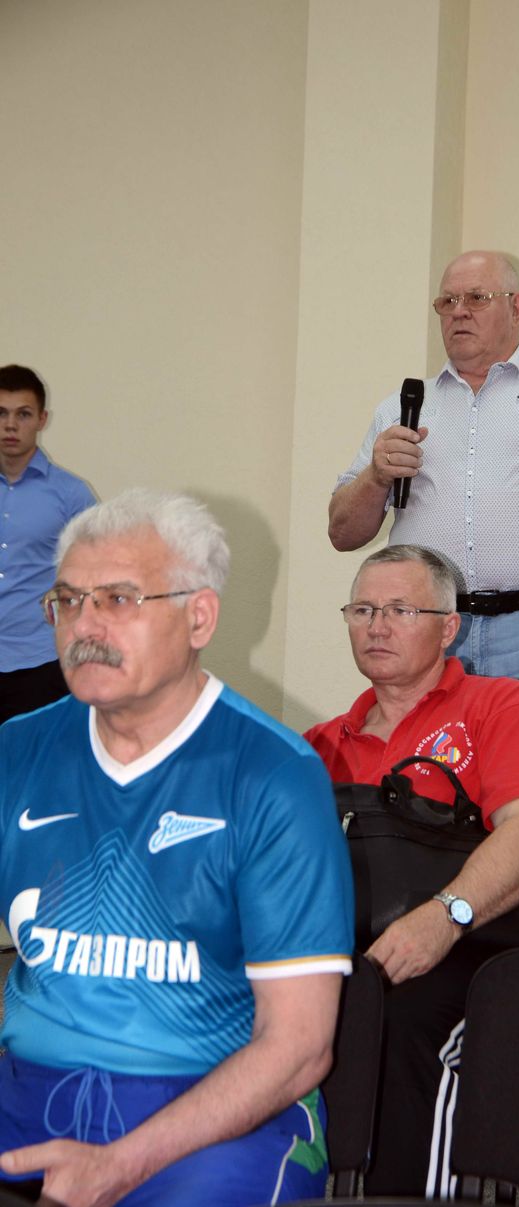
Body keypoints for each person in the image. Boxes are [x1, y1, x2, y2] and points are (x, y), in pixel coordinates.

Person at [0, 488, 354, 1207]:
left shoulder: (273, 776)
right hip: (30, 1085)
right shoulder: (17, 749)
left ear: (200, 617)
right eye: (67, 600)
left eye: (118, 599)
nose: (84, 626)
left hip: (216, 1106)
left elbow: (297, 1048)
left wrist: (120, 1164)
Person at [305, 544, 519, 1196]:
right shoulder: (317, 745)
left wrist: (445, 916)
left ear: (449, 627)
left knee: (397, 1017)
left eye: (401, 610)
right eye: (363, 610)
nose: (377, 626)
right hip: (350, 958)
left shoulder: (500, 704)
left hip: (477, 955)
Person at [328, 250, 519, 746]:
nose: (459, 312)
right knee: (427, 785)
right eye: (447, 302)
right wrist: (375, 476)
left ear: (515, 307)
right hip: (430, 637)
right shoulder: (401, 409)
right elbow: (343, 533)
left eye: (476, 298)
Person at [0, 364, 96, 726]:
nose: (11, 425)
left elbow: (99, 573)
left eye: (23, 414)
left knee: (36, 760)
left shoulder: (72, 495)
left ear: (42, 419)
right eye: (1, 413)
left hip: (40, 663)